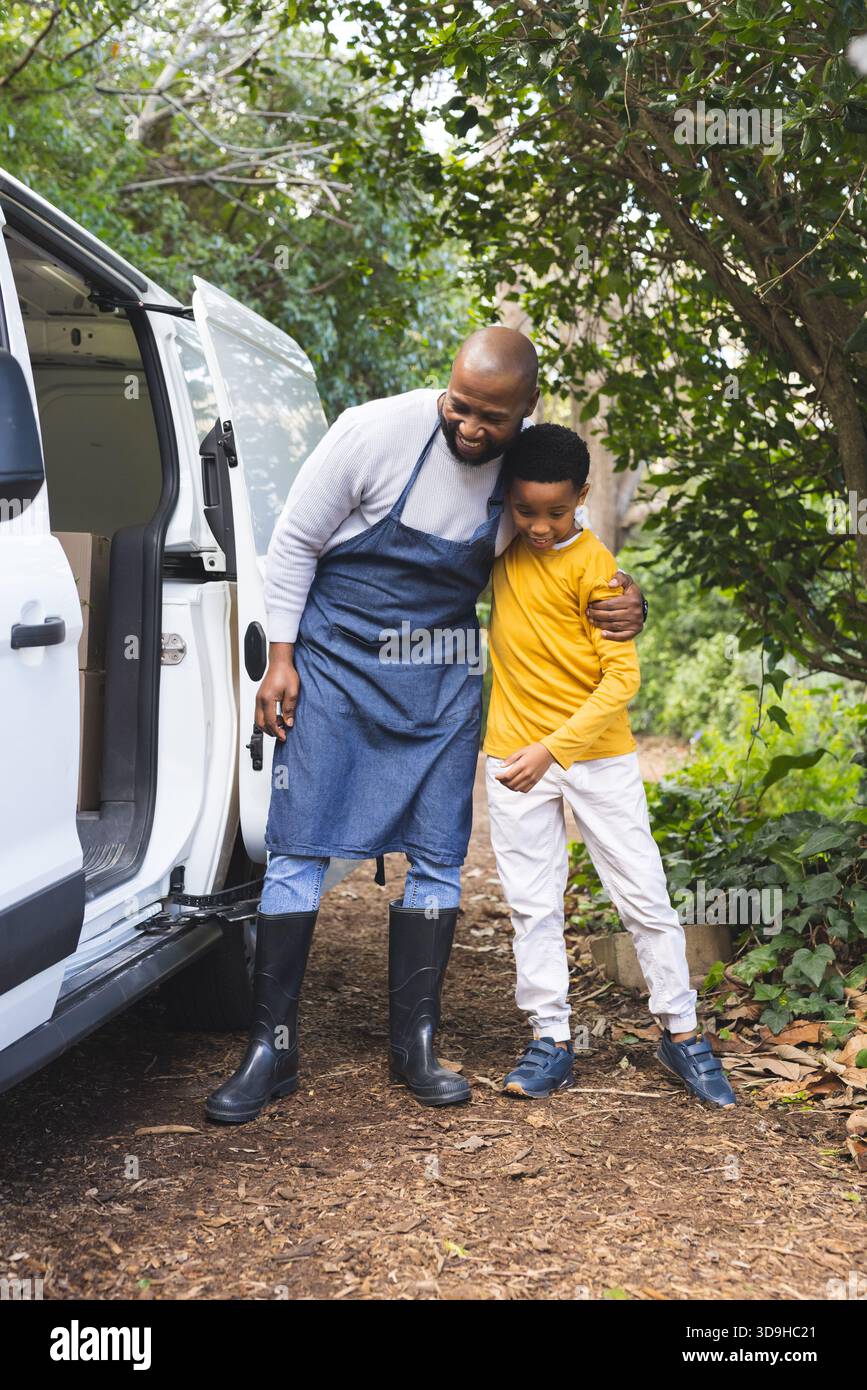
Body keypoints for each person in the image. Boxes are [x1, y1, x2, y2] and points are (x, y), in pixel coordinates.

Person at [205, 331, 647, 1124]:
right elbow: (295, 543)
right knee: (299, 841)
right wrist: (280, 659)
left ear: (525, 414)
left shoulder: (518, 478)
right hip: (335, 660)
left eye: (491, 418)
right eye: (459, 405)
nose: (470, 427)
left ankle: (415, 1043)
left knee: (439, 854)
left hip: (439, 678)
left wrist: (626, 601)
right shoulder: (372, 431)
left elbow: (560, 555)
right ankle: (270, 1047)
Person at [483, 422, 734, 1108]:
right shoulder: (497, 545)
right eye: (525, 509)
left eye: (555, 512)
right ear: (506, 498)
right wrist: (528, 752)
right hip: (511, 753)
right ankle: (550, 1041)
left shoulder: (597, 569)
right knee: (532, 905)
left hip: (593, 758)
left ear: (583, 499)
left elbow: (620, 682)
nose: (539, 526)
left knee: (643, 896)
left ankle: (681, 1034)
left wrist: (553, 750)